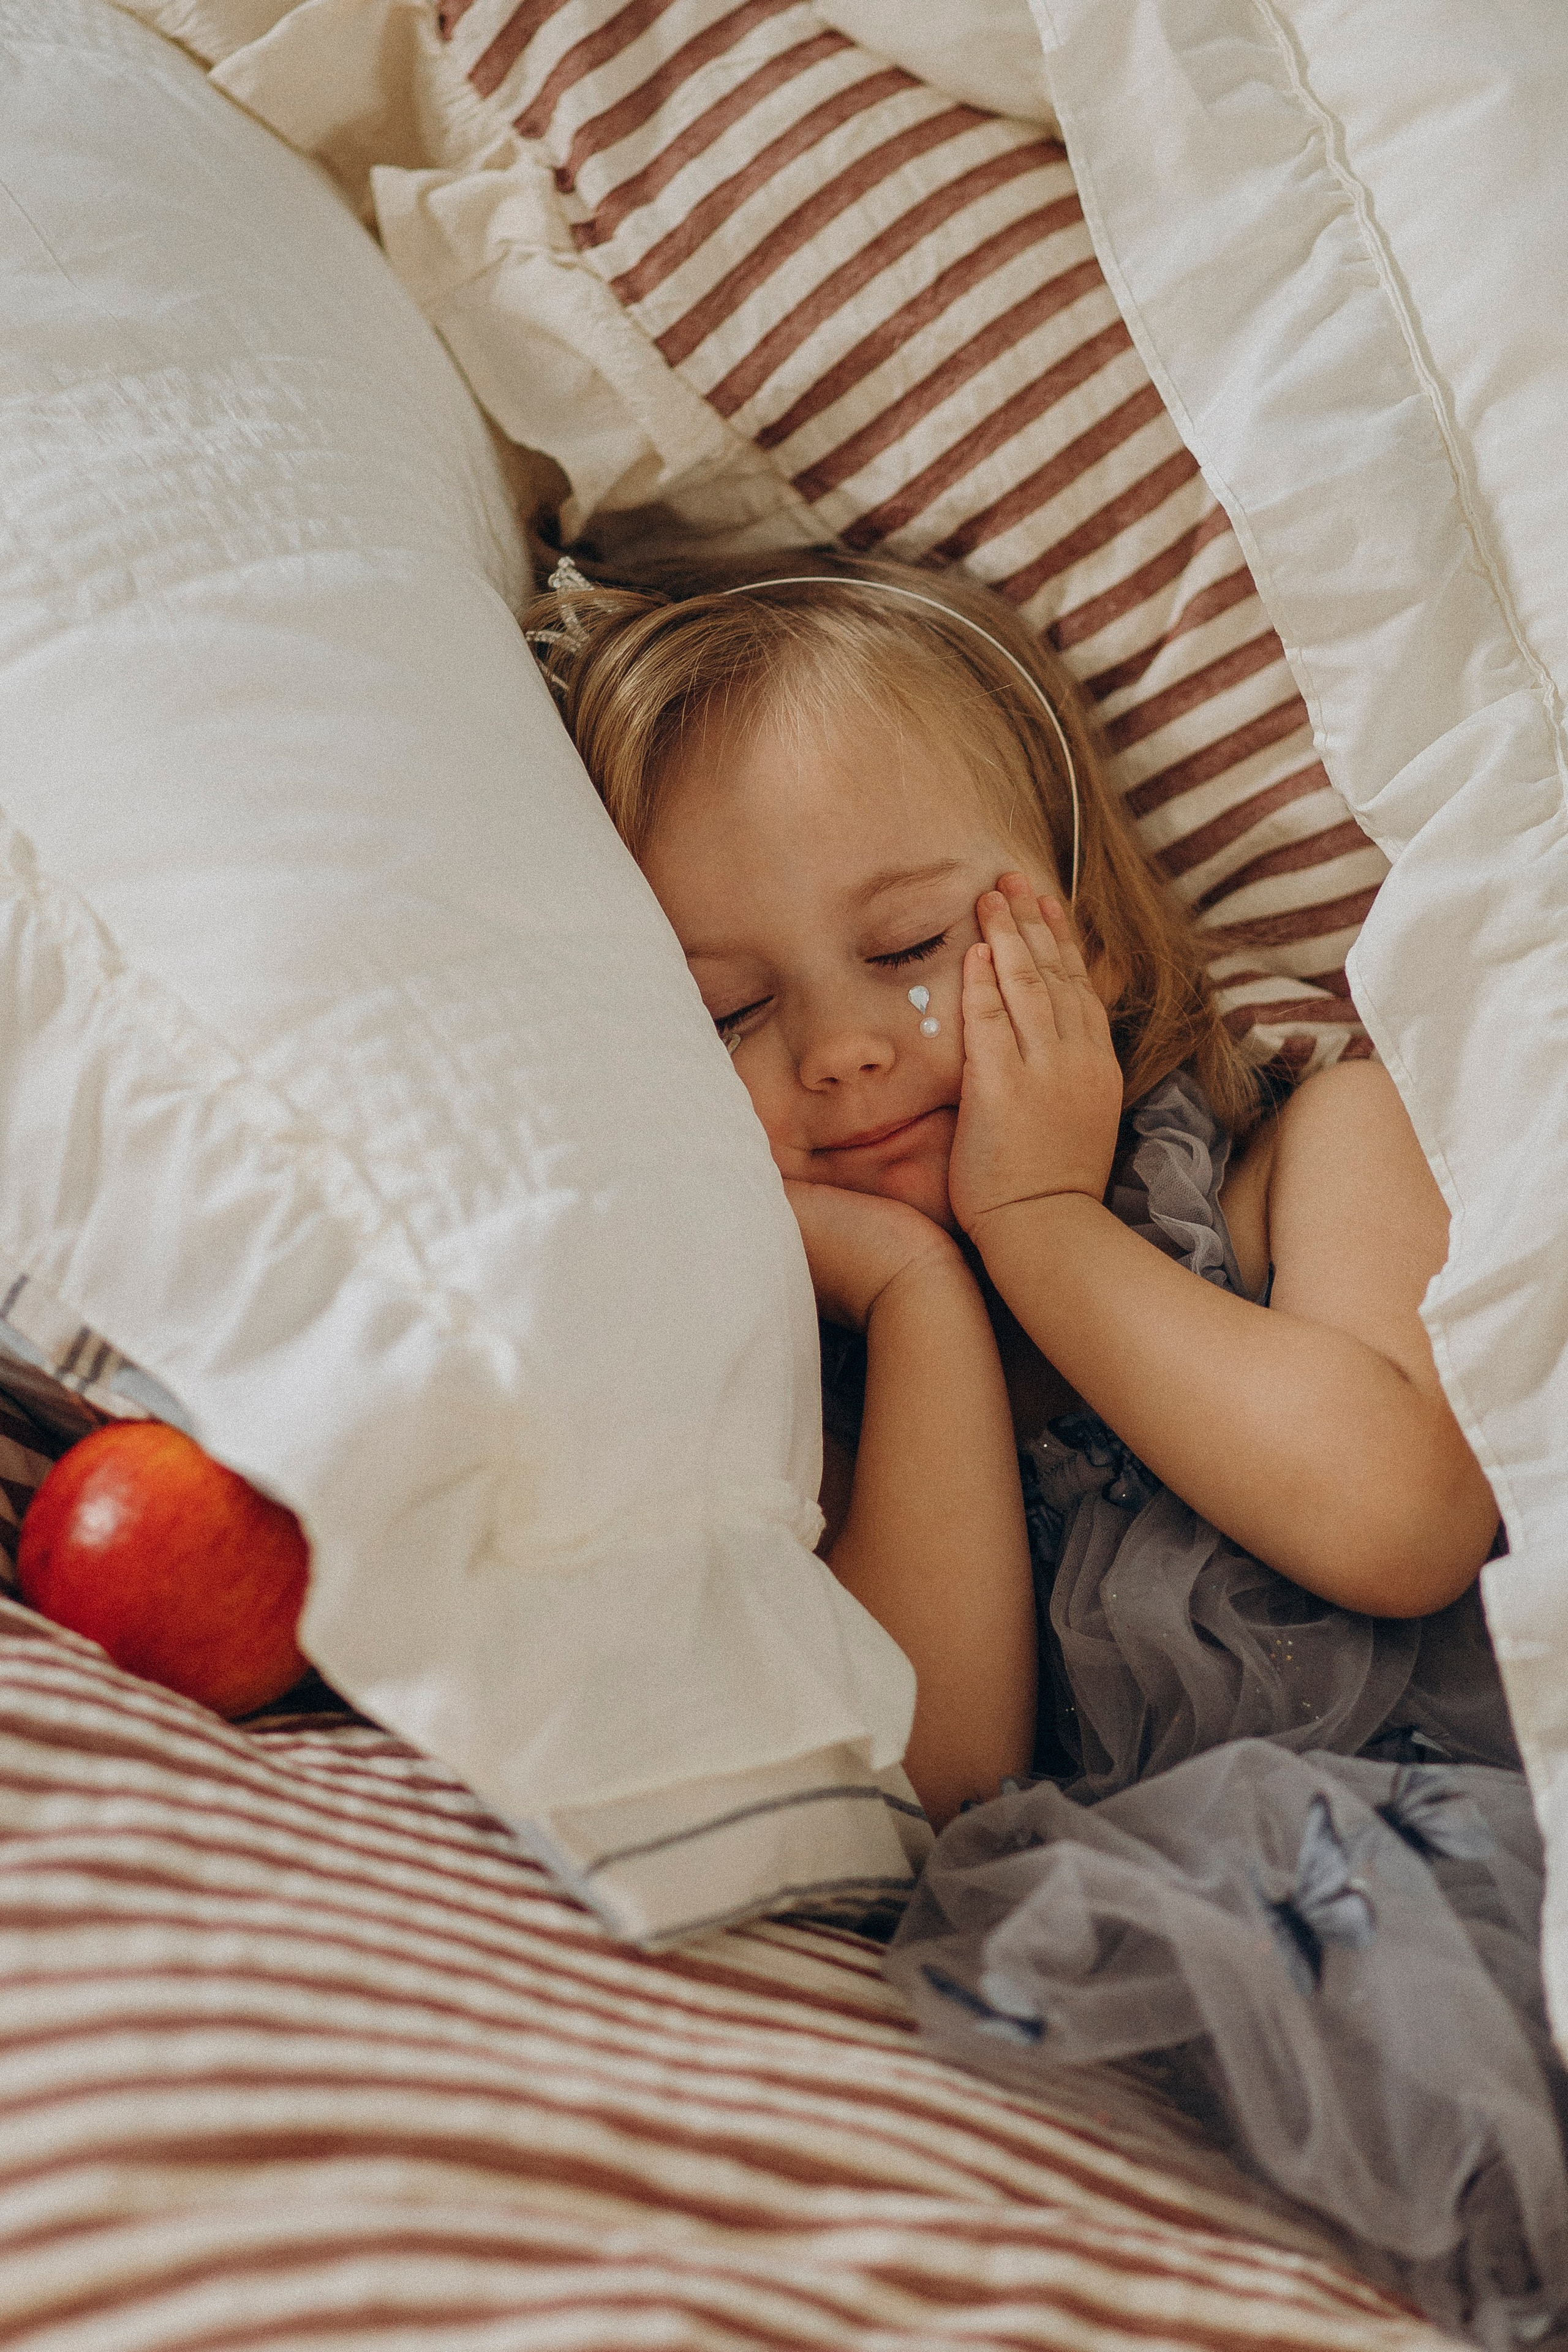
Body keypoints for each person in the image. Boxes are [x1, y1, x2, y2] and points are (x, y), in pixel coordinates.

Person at [523, 546, 1509, 1831]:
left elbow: (1401, 1525)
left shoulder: (1316, 1150)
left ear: (1086, 934)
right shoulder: (790, 1390)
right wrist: (916, 1296)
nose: (839, 1049)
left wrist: (1038, 1224)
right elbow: (932, 1780)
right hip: (1162, 1928)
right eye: (725, 1014)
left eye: (908, 947)